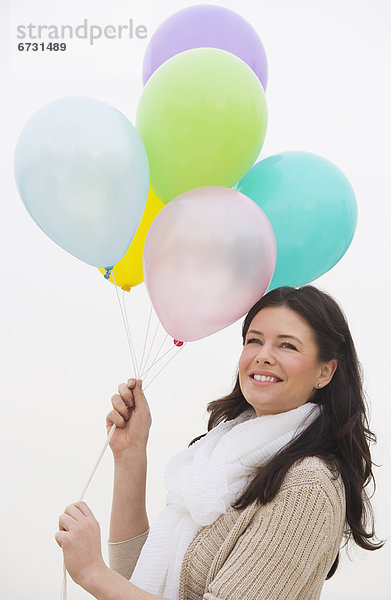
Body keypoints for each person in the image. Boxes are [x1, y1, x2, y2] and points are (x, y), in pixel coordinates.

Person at [55, 285, 384, 600]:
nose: (263, 356)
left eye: (287, 345)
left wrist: (93, 574)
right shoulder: (221, 453)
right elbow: (135, 581)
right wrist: (130, 454)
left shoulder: (307, 485)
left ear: (324, 373)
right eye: (254, 340)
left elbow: (116, 587)